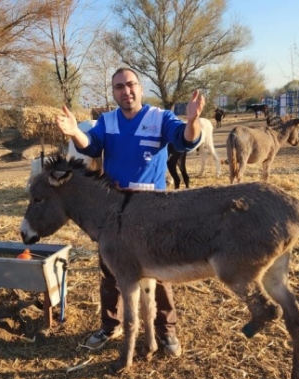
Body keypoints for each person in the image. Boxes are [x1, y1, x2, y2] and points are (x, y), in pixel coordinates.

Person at [55, 67, 205, 357]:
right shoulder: (107, 121)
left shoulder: (159, 117)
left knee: (159, 272)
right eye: (119, 87)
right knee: (111, 270)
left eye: (131, 84)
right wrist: (75, 132)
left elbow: (184, 139)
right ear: (113, 93)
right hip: (115, 211)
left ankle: (166, 329)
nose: (127, 91)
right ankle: (111, 325)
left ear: (141, 86)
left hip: (153, 211)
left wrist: (193, 122)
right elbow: (91, 147)